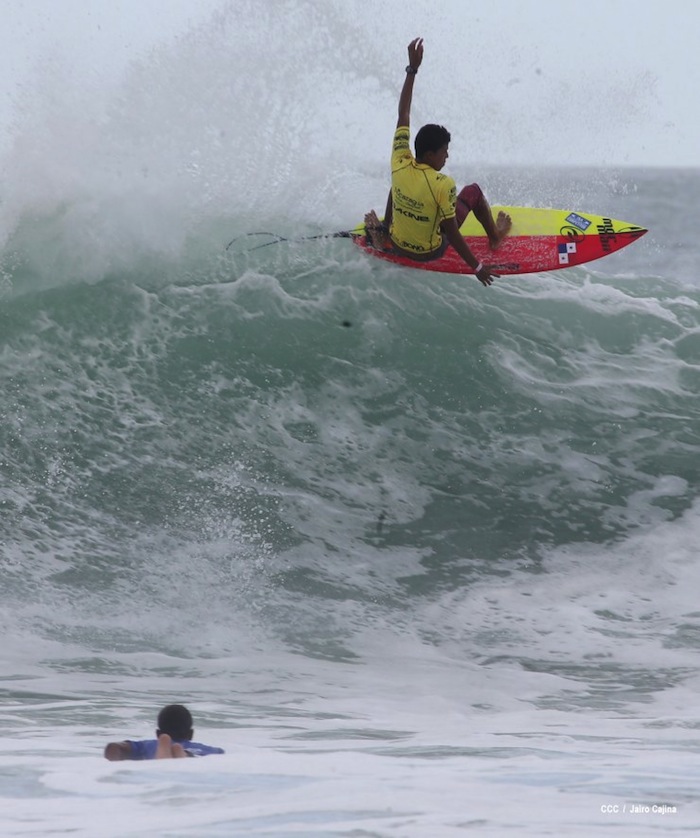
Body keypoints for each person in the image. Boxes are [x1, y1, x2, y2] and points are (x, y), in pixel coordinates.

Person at [364, 37, 511, 287]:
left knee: (397, 185)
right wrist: (477, 268)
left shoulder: (400, 161)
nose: (447, 156)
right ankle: (495, 236)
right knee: (473, 191)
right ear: (430, 154)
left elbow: (403, 114)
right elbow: (452, 232)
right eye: (444, 152)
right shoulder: (443, 183)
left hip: (398, 245)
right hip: (429, 252)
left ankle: (386, 228)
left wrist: (412, 70)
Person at [103, 704, 225, 760]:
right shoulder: (209, 750)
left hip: (157, 754)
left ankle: (165, 750)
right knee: (189, 759)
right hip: (194, 756)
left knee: (165, 761)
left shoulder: (146, 745)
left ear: (158, 734)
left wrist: (117, 759)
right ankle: (181, 755)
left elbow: (115, 747)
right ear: (191, 734)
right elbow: (221, 755)